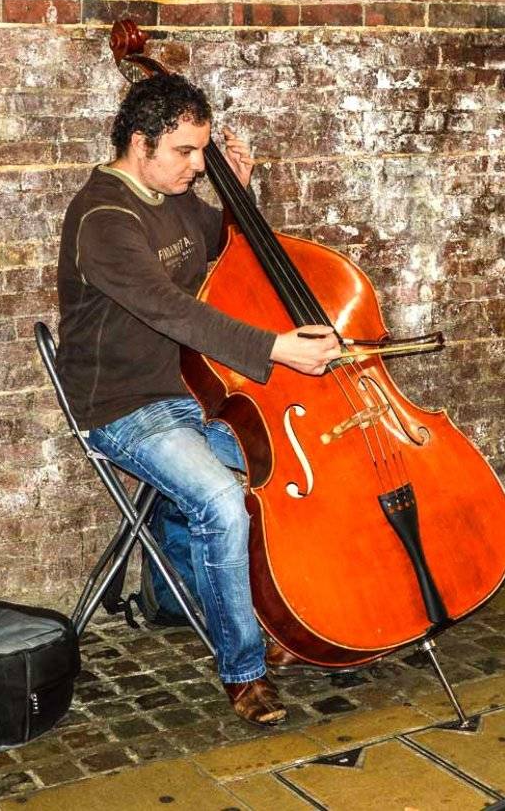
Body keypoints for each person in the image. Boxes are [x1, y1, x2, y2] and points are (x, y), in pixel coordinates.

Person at [55, 72, 341, 725]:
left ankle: (256, 611)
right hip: (124, 405)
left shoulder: (176, 195)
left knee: (291, 473)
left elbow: (229, 246)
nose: (197, 165)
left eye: (202, 151)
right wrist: (275, 348)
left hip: (195, 390)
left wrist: (238, 190)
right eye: (185, 151)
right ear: (140, 143)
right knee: (220, 501)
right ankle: (244, 670)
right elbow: (173, 310)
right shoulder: (104, 218)